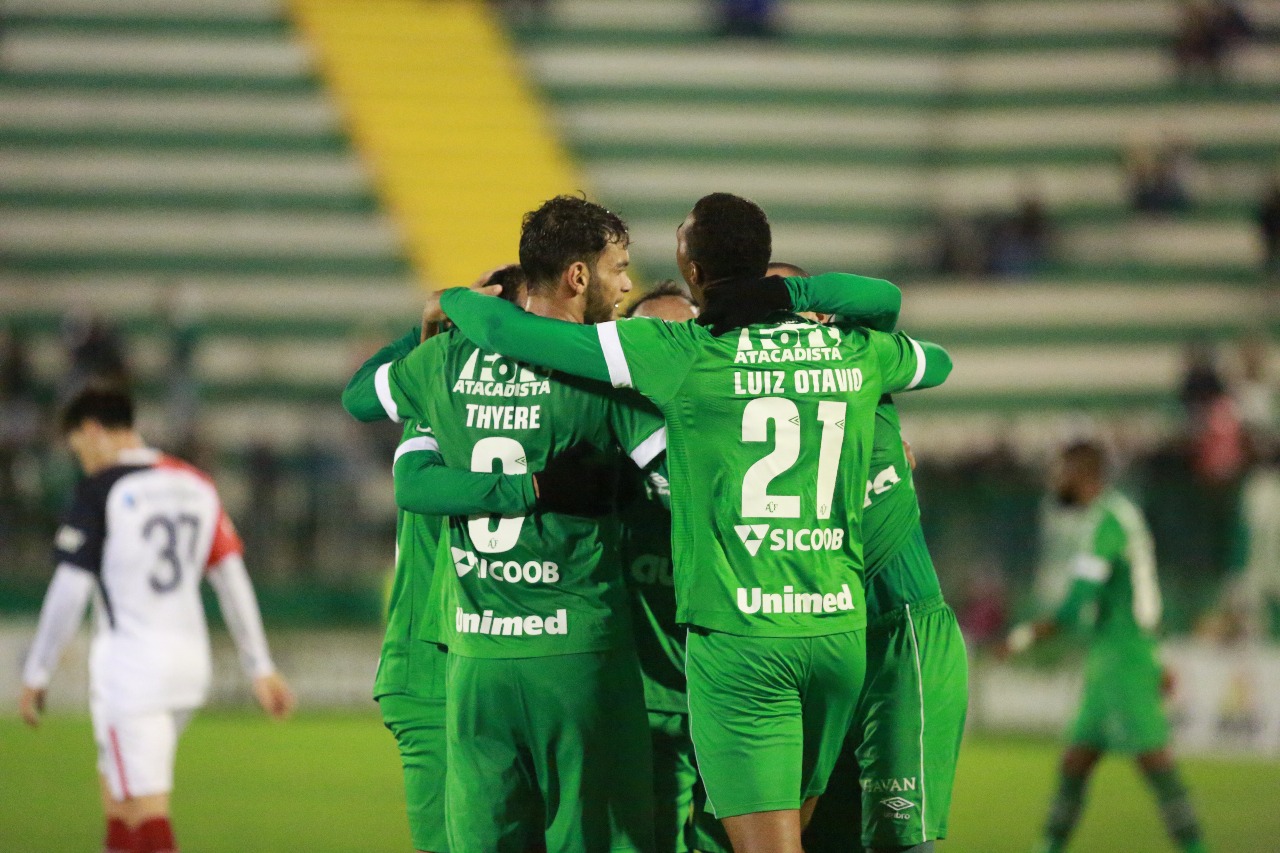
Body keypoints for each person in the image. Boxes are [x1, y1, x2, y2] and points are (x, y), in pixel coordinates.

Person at [437, 192, 953, 853]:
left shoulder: (677, 351)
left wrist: (454, 298)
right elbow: (924, 345)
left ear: (695, 272)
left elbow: (510, 333)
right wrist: (790, 299)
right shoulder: (850, 348)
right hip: (836, 633)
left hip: (743, 639)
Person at [343, 196, 664, 853]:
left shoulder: (443, 364)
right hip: (577, 653)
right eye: (620, 268)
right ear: (577, 276)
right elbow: (683, 485)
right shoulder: (608, 374)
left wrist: (437, 313)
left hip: (476, 658)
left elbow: (364, 403)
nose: (628, 284)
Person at [746, 263, 968, 853]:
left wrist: (790, 290)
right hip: (810, 644)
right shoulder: (745, 419)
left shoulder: (860, 366)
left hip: (899, 635)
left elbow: (897, 311)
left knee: (899, 840)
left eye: (784, 309)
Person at [18, 386, 295, 853]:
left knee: (147, 813)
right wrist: (259, 665)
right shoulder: (196, 484)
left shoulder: (101, 489)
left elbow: (70, 587)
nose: (81, 460)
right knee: (120, 798)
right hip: (188, 666)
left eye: (78, 449)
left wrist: (37, 670)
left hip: (131, 671)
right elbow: (231, 578)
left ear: (92, 431)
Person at [1002, 441, 1208, 853]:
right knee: (1076, 760)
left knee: (1154, 760)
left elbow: (1080, 595)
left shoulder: (1108, 522)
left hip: (1123, 653)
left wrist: (1024, 636)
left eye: (1062, 472)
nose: (1056, 481)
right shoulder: (1115, 516)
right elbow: (1139, 591)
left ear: (1081, 473)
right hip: (1110, 651)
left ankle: (1197, 849)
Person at [619, 281, 702, 853]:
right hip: (637, 707)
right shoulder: (598, 443)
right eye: (653, 339)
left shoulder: (742, 449)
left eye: (683, 336)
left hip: (733, 694)